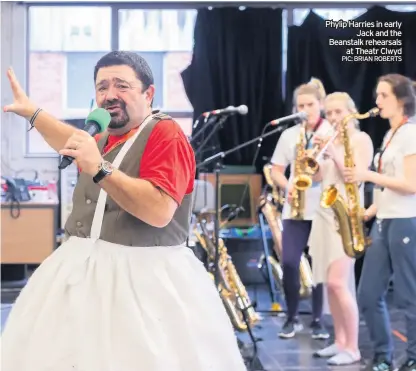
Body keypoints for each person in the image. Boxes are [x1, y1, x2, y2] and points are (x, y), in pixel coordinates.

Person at [1, 51, 246, 371]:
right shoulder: (101, 132)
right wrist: (34, 113)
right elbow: (69, 140)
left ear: (149, 93)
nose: (109, 95)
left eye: (122, 86)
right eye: (102, 87)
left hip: (141, 282)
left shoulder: (165, 133)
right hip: (80, 275)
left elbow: (159, 211)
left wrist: (100, 169)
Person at [344, 74, 416, 371]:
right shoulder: (390, 135)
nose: (377, 101)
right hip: (385, 220)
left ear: (400, 100)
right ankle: (383, 355)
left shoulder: (411, 134)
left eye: (383, 95)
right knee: (368, 294)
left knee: (408, 294)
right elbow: (390, 185)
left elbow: (411, 185)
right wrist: (371, 209)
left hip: (406, 221)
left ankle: (412, 357)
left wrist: (366, 175)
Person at [308, 92, 374, 365]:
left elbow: (353, 173)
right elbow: (321, 176)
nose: (333, 118)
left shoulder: (361, 139)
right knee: (329, 285)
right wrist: (311, 158)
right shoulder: (331, 138)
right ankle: (339, 341)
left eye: (338, 112)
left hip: (345, 215)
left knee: (338, 283)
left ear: (351, 112)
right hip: (325, 213)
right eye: (330, 113)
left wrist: (333, 152)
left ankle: (354, 347)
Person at [270, 78, 332, 339]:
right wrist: (288, 186)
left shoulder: (331, 131)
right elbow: (275, 170)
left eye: (310, 104)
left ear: (321, 105)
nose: (305, 109)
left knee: (319, 265)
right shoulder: (289, 135)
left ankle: (318, 319)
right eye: (300, 105)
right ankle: (291, 316)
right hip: (295, 208)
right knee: (290, 262)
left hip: (323, 207)